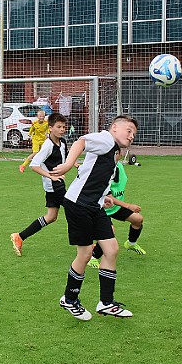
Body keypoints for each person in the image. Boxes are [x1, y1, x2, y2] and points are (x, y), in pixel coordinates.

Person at [50, 114, 138, 321]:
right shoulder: (106, 139)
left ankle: (106, 303)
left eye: (134, 133)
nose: (132, 136)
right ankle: (69, 299)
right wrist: (68, 163)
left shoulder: (113, 150)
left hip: (95, 205)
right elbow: (81, 141)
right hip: (78, 204)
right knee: (85, 254)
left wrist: (106, 196)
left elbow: (96, 175)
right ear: (115, 127)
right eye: (129, 130)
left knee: (111, 249)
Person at [10, 113, 68, 256]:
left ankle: (20, 236)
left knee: (51, 216)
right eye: (59, 127)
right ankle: (89, 245)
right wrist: (51, 176)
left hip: (58, 183)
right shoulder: (48, 145)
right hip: (54, 185)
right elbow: (34, 165)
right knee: (75, 210)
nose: (62, 130)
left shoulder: (63, 142)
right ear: (50, 128)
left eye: (64, 127)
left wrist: (74, 165)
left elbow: (63, 160)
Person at [88, 151, 146, 268]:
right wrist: (128, 206)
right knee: (109, 231)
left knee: (138, 219)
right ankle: (92, 257)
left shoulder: (118, 165)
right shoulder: (104, 170)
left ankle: (131, 243)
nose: (117, 155)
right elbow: (108, 197)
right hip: (101, 207)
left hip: (116, 207)